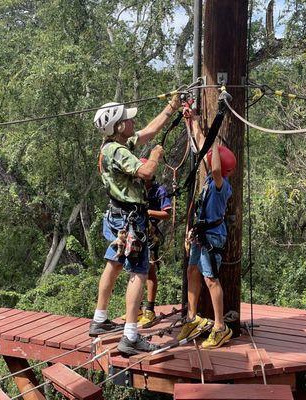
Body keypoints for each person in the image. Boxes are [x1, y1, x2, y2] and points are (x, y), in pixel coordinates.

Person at [89, 95, 181, 356]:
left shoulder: (113, 146)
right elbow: (146, 172)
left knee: (114, 263)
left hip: (118, 217)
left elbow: (150, 130)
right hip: (131, 218)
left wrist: (171, 107)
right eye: (127, 119)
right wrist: (154, 156)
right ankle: (130, 335)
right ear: (118, 127)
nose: (132, 120)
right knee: (139, 271)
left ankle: (99, 318)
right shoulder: (118, 151)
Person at [176, 114, 237, 349]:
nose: (211, 164)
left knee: (211, 279)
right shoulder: (210, 182)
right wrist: (191, 121)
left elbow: (215, 165)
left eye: (214, 162)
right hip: (201, 234)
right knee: (192, 271)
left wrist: (214, 141)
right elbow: (203, 145)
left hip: (212, 236)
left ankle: (220, 327)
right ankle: (192, 318)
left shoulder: (222, 186)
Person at [140, 159, 172, 325]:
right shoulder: (136, 189)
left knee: (150, 270)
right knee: (135, 270)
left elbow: (167, 213)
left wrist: (147, 212)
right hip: (136, 233)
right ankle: (137, 309)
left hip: (151, 234)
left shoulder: (159, 190)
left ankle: (150, 310)